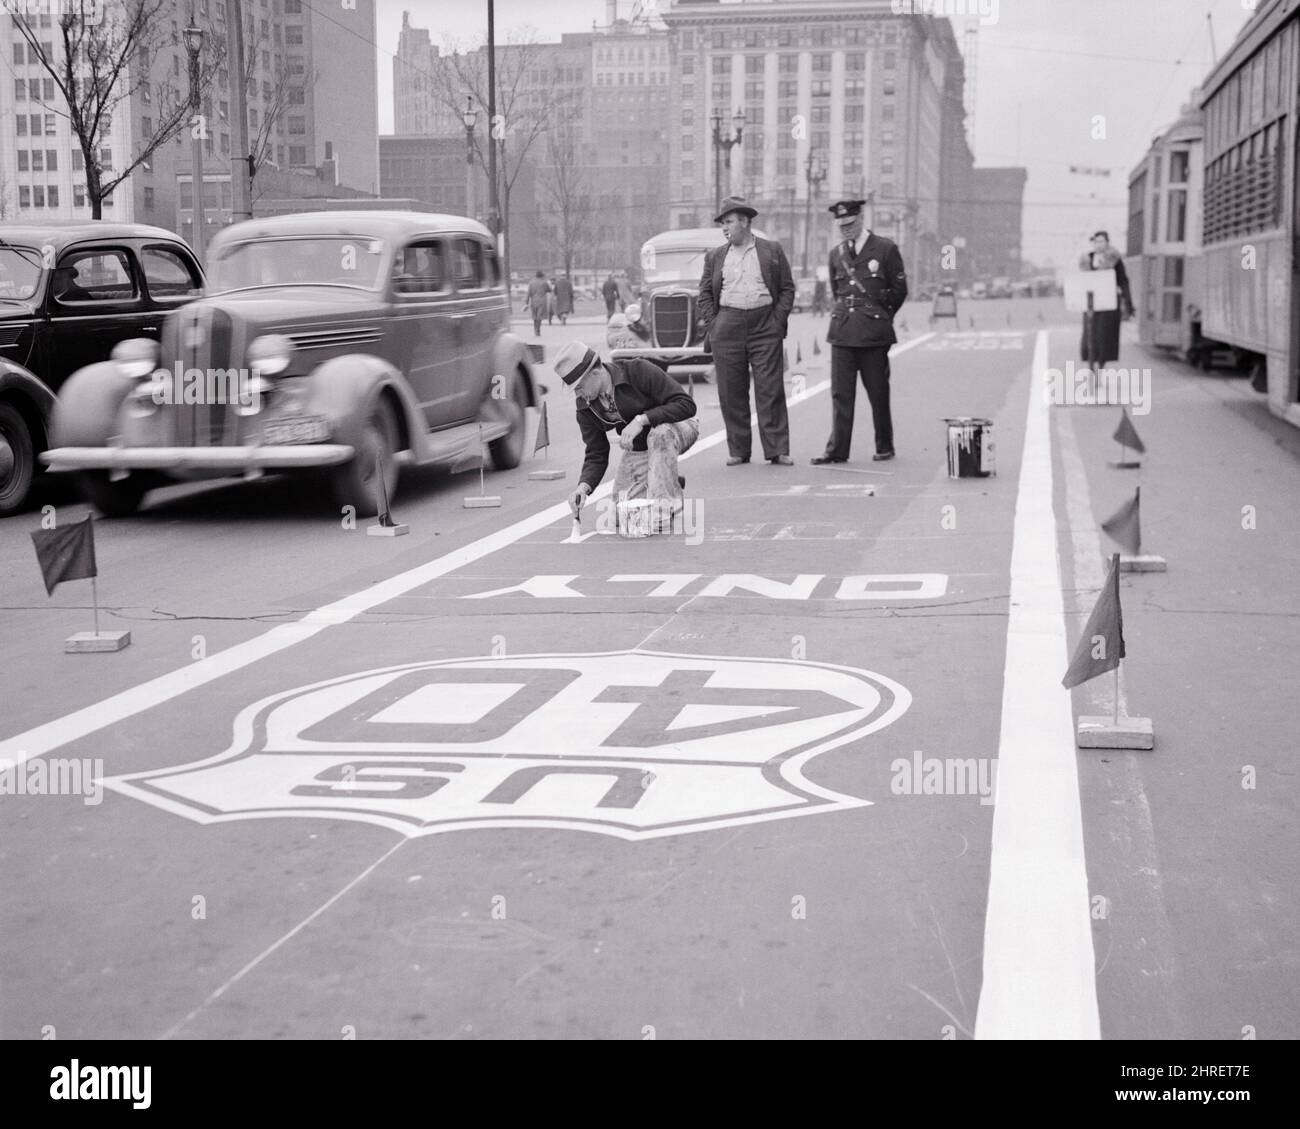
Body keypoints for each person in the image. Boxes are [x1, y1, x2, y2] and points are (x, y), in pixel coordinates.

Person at [554, 340, 699, 533]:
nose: (578, 394)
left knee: (659, 434)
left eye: (579, 387)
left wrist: (642, 420)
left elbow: (686, 405)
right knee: (619, 514)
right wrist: (583, 487)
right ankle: (664, 479)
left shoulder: (638, 370)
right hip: (642, 448)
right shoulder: (585, 406)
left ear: (595, 373)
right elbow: (596, 453)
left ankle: (665, 505)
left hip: (677, 428)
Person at [697, 195, 796, 466]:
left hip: (765, 324)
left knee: (770, 387)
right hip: (727, 324)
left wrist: (777, 321)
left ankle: (777, 449)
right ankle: (739, 449)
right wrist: (714, 323)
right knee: (731, 390)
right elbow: (704, 292)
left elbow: (787, 288)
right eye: (722, 223)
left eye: (728, 222)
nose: (724, 228)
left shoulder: (771, 250)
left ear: (745, 221)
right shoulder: (716, 256)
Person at [812, 198, 909, 465]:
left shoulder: (886, 249)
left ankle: (885, 445)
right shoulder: (836, 254)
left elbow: (899, 290)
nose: (846, 229)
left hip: (874, 334)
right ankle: (837, 450)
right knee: (841, 395)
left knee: (878, 393)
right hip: (842, 332)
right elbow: (837, 291)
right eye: (842, 225)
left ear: (862, 218)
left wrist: (881, 316)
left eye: (851, 224)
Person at [1078, 231, 1134, 366]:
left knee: (1105, 335)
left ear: (1107, 243)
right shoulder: (1087, 259)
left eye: (1102, 241)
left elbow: (1123, 281)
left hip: (1109, 302)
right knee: (1090, 333)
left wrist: (1128, 302)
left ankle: (1102, 363)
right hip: (1091, 302)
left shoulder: (1115, 260)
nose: (1099, 244)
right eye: (1096, 241)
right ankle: (1090, 362)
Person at [527, 270, 549, 337]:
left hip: (533, 302)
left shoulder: (531, 282)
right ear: (542, 276)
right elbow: (549, 290)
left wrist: (526, 301)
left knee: (534, 316)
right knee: (539, 316)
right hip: (541, 302)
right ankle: (538, 330)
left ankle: (535, 330)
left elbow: (529, 293)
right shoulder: (544, 282)